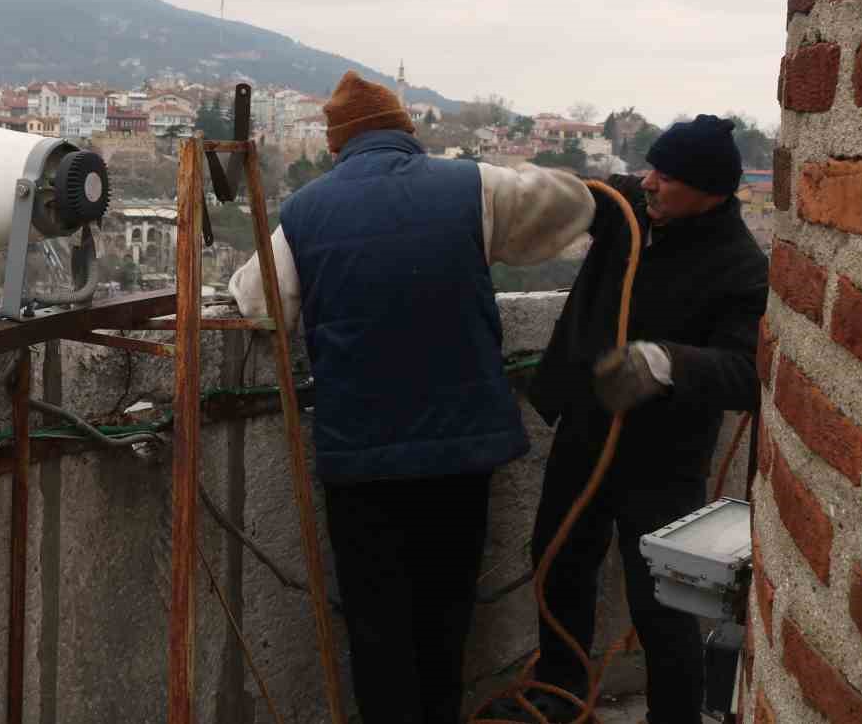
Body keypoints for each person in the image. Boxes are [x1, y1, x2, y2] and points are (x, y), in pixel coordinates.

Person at [229, 71, 596, 724]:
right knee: (447, 616)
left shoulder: (305, 213)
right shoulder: (469, 187)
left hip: (362, 458)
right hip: (462, 448)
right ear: (406, 131)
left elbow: (258, 301)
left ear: (338, 145)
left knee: (378, 629)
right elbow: (570, 204)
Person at [485, 115, 768, 724]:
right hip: (589, 427)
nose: (650, 183)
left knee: (661, 597)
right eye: (651, 170)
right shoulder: (626, 209)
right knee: (558, 561)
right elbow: (574, 197)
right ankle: (557, 692)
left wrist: (668, 362)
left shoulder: (740, 266)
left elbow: (746, 374)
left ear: (709, 191)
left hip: (665, 455)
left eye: (667, 178)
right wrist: (512, 187)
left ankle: (673, 715)